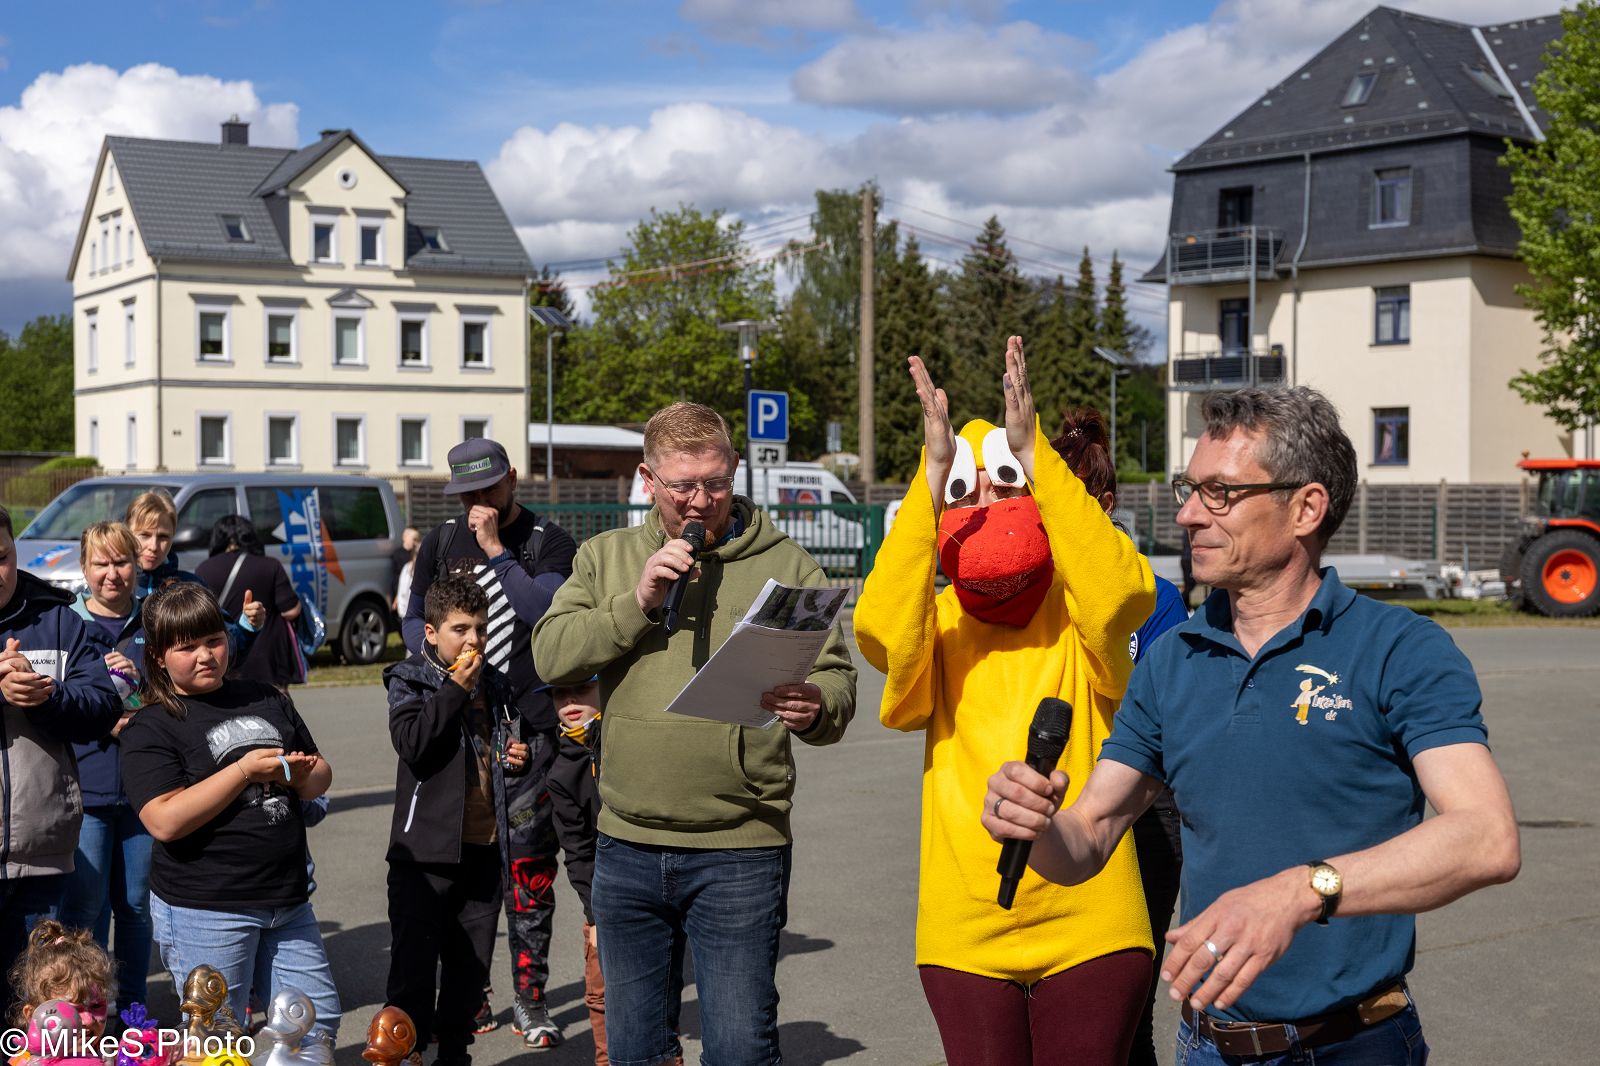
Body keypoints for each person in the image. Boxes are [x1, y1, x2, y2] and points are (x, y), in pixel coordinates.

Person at [985, 385, 1522, 1065]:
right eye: (1189, 489)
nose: (1187, 513)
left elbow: (1486, 837)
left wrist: (1302, 892)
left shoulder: (1398, 648)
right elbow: (1088, 837)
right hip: (1210, 1047)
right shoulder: (1172, 658)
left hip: (1356, 1044)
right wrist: (1035, 827)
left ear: (1306, 508)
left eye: (1220, 493)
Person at [852, 342, 1157, 1066]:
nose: (985, 508)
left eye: (1005, 486)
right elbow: (882, 631)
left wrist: (1036, 455)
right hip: (965, 925)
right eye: (967, 494)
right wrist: (931, 478)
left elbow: (1122, 592)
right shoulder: (938, 625)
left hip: (1090, 915)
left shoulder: (1079, 614)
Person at [533, 401, 858, 1066]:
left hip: (740, 848)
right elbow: (551, 655)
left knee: (739, 1050)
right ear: (647, 479)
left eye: (716, 482)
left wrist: (817, 704)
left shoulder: (789, 565)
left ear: (734, 467)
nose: (701, 502)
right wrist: (638, 602)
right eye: (683, 486)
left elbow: (836, 678)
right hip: (626, 843)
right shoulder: (606, 557)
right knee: (635, 1052)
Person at [401, 438, 576, 1049]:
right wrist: (434, 665)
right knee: (466, 871)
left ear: (513, 479)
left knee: (528, 872)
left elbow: (544, 610)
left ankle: (531, 997)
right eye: (467, 493)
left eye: (489, 488)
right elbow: (414, 617)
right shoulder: (440, 541)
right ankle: (470, 994)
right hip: (462, 729)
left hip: (529, 727)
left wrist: (498, 551)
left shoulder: (546, 540)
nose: (478, 501)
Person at [119, 582, 339, 1049]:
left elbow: (319, 775)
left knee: (314, 1027)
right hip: (206, 908)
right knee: (216, 1040)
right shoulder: (151, 725)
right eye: (187, 647)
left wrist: (297, 773)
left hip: (288, 900)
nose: (205, 656)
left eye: (214, 640)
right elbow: (164, 820)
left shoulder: (264, 696)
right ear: (158, 656)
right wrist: (243, 772)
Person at [1049, 408, 1189, 1066]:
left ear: (1104, 506)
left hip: (1140, 806)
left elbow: (1162, 718)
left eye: (1070, 501)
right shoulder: (1025, 597)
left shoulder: (1153, 597)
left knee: (1124, 1015)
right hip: (1052, 804)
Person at [383, 574, 531, 1066]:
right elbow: (413, 744)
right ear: (431, 632)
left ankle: (454, 1057)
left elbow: (508, 743)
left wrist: (518, 755)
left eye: (481, 629)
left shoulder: (496, 682)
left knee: (468, 977)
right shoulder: (410, 679)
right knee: (413, 978)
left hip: (484, 848)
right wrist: (453, 689)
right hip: (424, 855)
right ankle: (407, 1056)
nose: (473, 641)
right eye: (460, 629)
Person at [0, 505, 122, 1011]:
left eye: (1, 557)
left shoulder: (57, 620)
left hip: (42, 854)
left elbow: (104, 704)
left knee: (43, 1013)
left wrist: (46, 696)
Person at [59, 522, 156, 1018]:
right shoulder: (67, 625)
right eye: (101, 563)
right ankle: (91, 1009)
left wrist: (138, 694)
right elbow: (58, 703)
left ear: (136, 565)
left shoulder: (154, 621)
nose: (112, 574)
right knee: (87, 909)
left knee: (136, 906)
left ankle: (134, 1009)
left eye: (121, 562)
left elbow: (176, 695)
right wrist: (104, 716)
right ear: (84, 568)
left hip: (145, 792)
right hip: (89, 790)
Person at [196, 516, 302, 689]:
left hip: (226, 661)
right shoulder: (271, 565)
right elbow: (291, 611)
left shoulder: (204, 569)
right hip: (268, 663)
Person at [8, 919, 115, 1041]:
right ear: (32, 1015)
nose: (88, 1020)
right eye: (72, 1009)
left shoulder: (106, 1051)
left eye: (96, 1006)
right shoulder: (26, 1054)